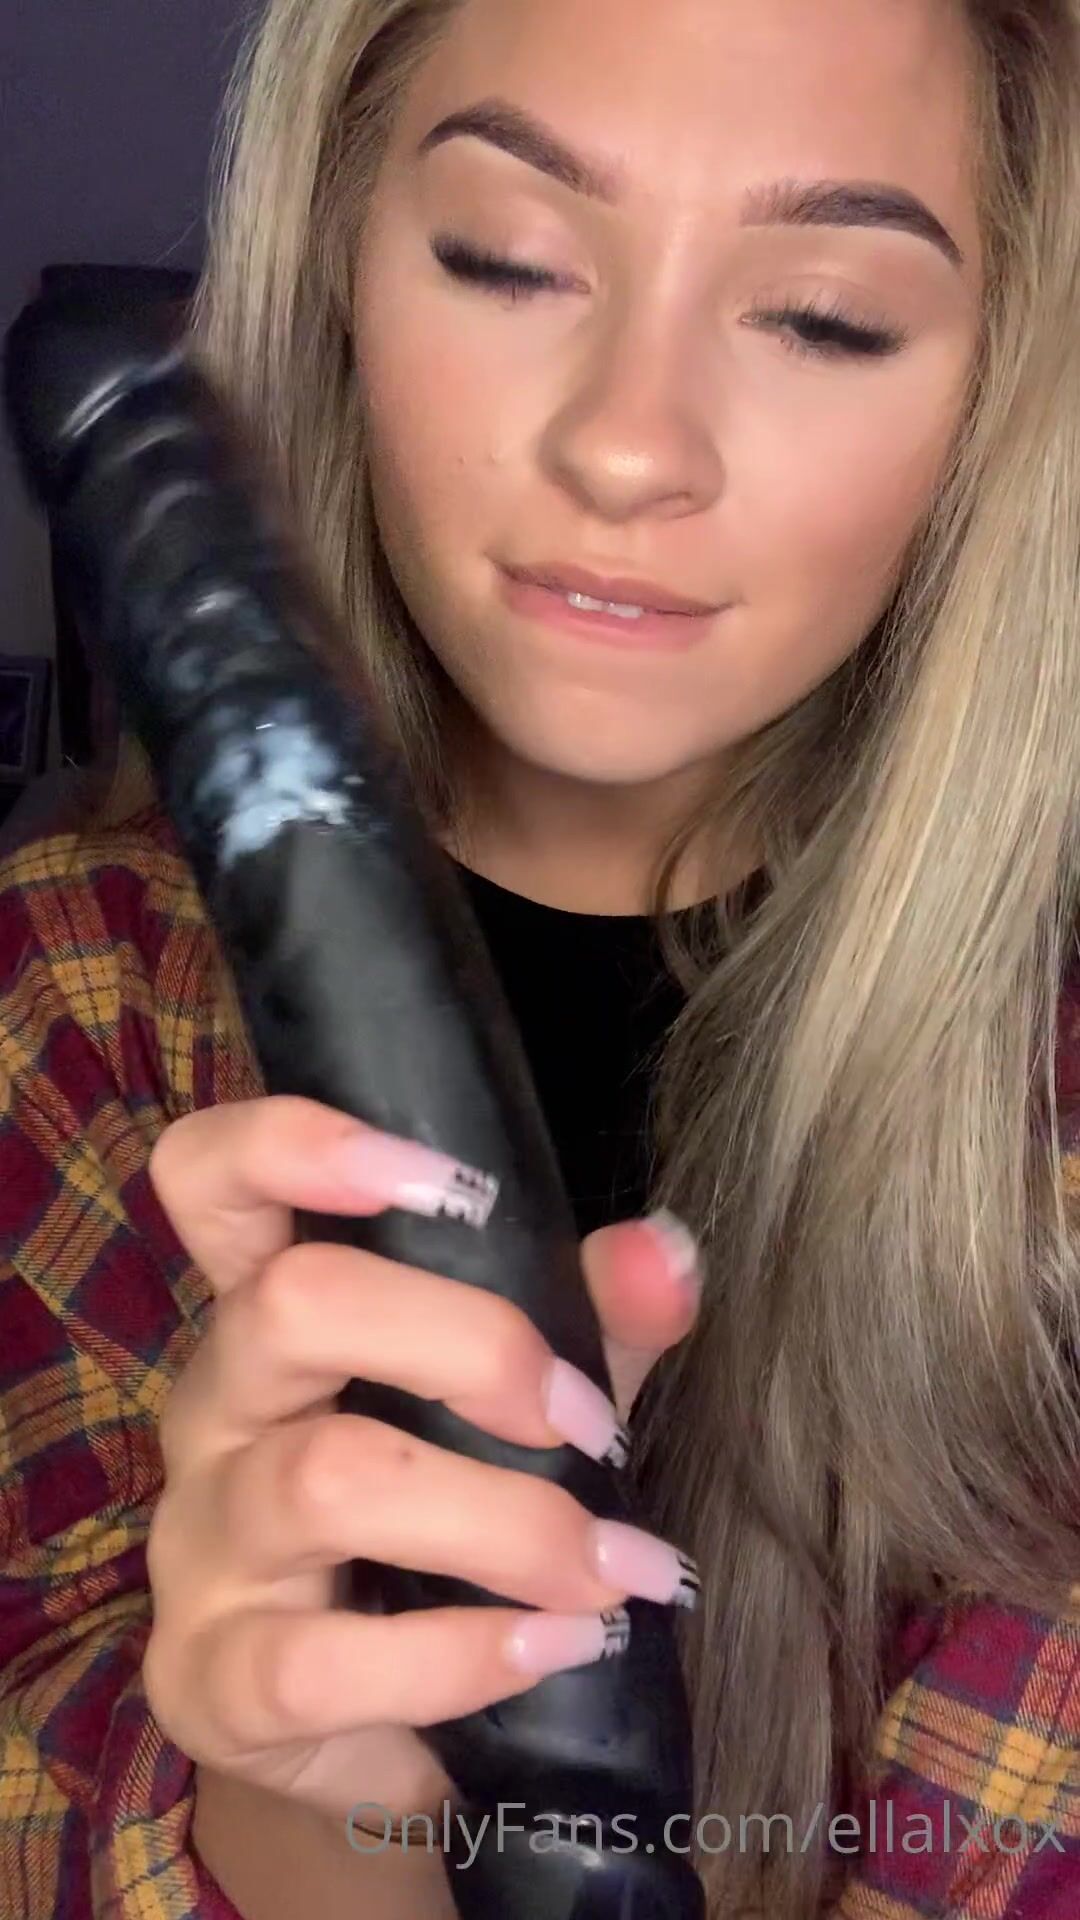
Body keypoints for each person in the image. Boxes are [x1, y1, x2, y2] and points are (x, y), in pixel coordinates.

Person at [3, 0, 1080, 1915]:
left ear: (1001, 394)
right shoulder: (69, 1000)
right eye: (507, 259)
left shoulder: (1053, 1133)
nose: (625, 445)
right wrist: (307, 1817)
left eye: (823, 317)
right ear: (339, 264)